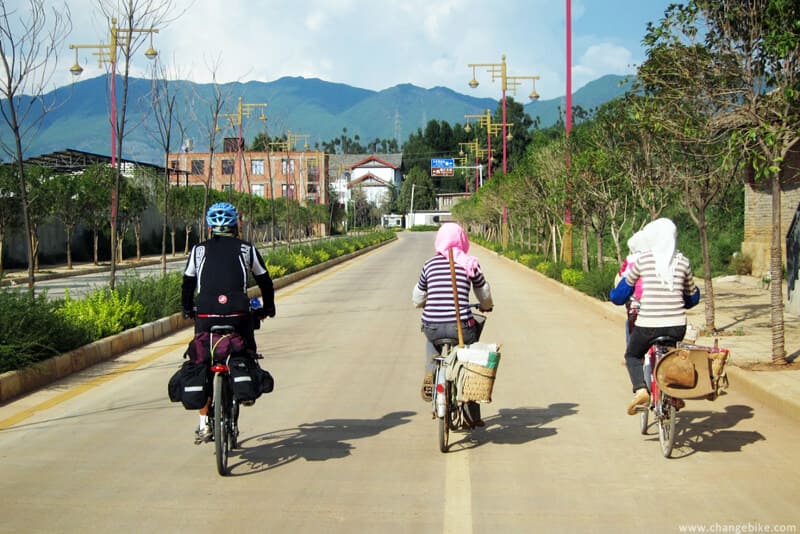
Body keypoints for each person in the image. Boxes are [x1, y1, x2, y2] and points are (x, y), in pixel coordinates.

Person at [181, 201, 276, 441]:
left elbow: (188, 283)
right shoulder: (246, 249)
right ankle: (246, 384)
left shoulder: (198, 250)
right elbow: (265, 281)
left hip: (205, 314)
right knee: (246, 349)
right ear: (236, 226)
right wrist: (269, 308)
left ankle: (204, 424)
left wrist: (187, 309)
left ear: (209, 228)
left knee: (202, 360)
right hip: (238, 313)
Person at [610, 217, 700, 415]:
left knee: (633, 355)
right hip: (677, 326)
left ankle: (641, 390)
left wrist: (615, 295)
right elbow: (692, 297)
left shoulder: (643, 260)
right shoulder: (683, 262)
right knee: (671, 356)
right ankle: (673, 393)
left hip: (648, 325)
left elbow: (621, 294)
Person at [412, 223, 494, 428]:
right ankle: (472, 412)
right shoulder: (469, 264)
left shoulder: (429, 265)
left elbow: (417, 297)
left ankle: (431, 370)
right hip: (461, 328)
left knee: (431, 340)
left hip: (432, 326)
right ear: (462, 240)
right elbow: (484, 293)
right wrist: (486, 306)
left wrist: (424, 303)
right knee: (470, 359)